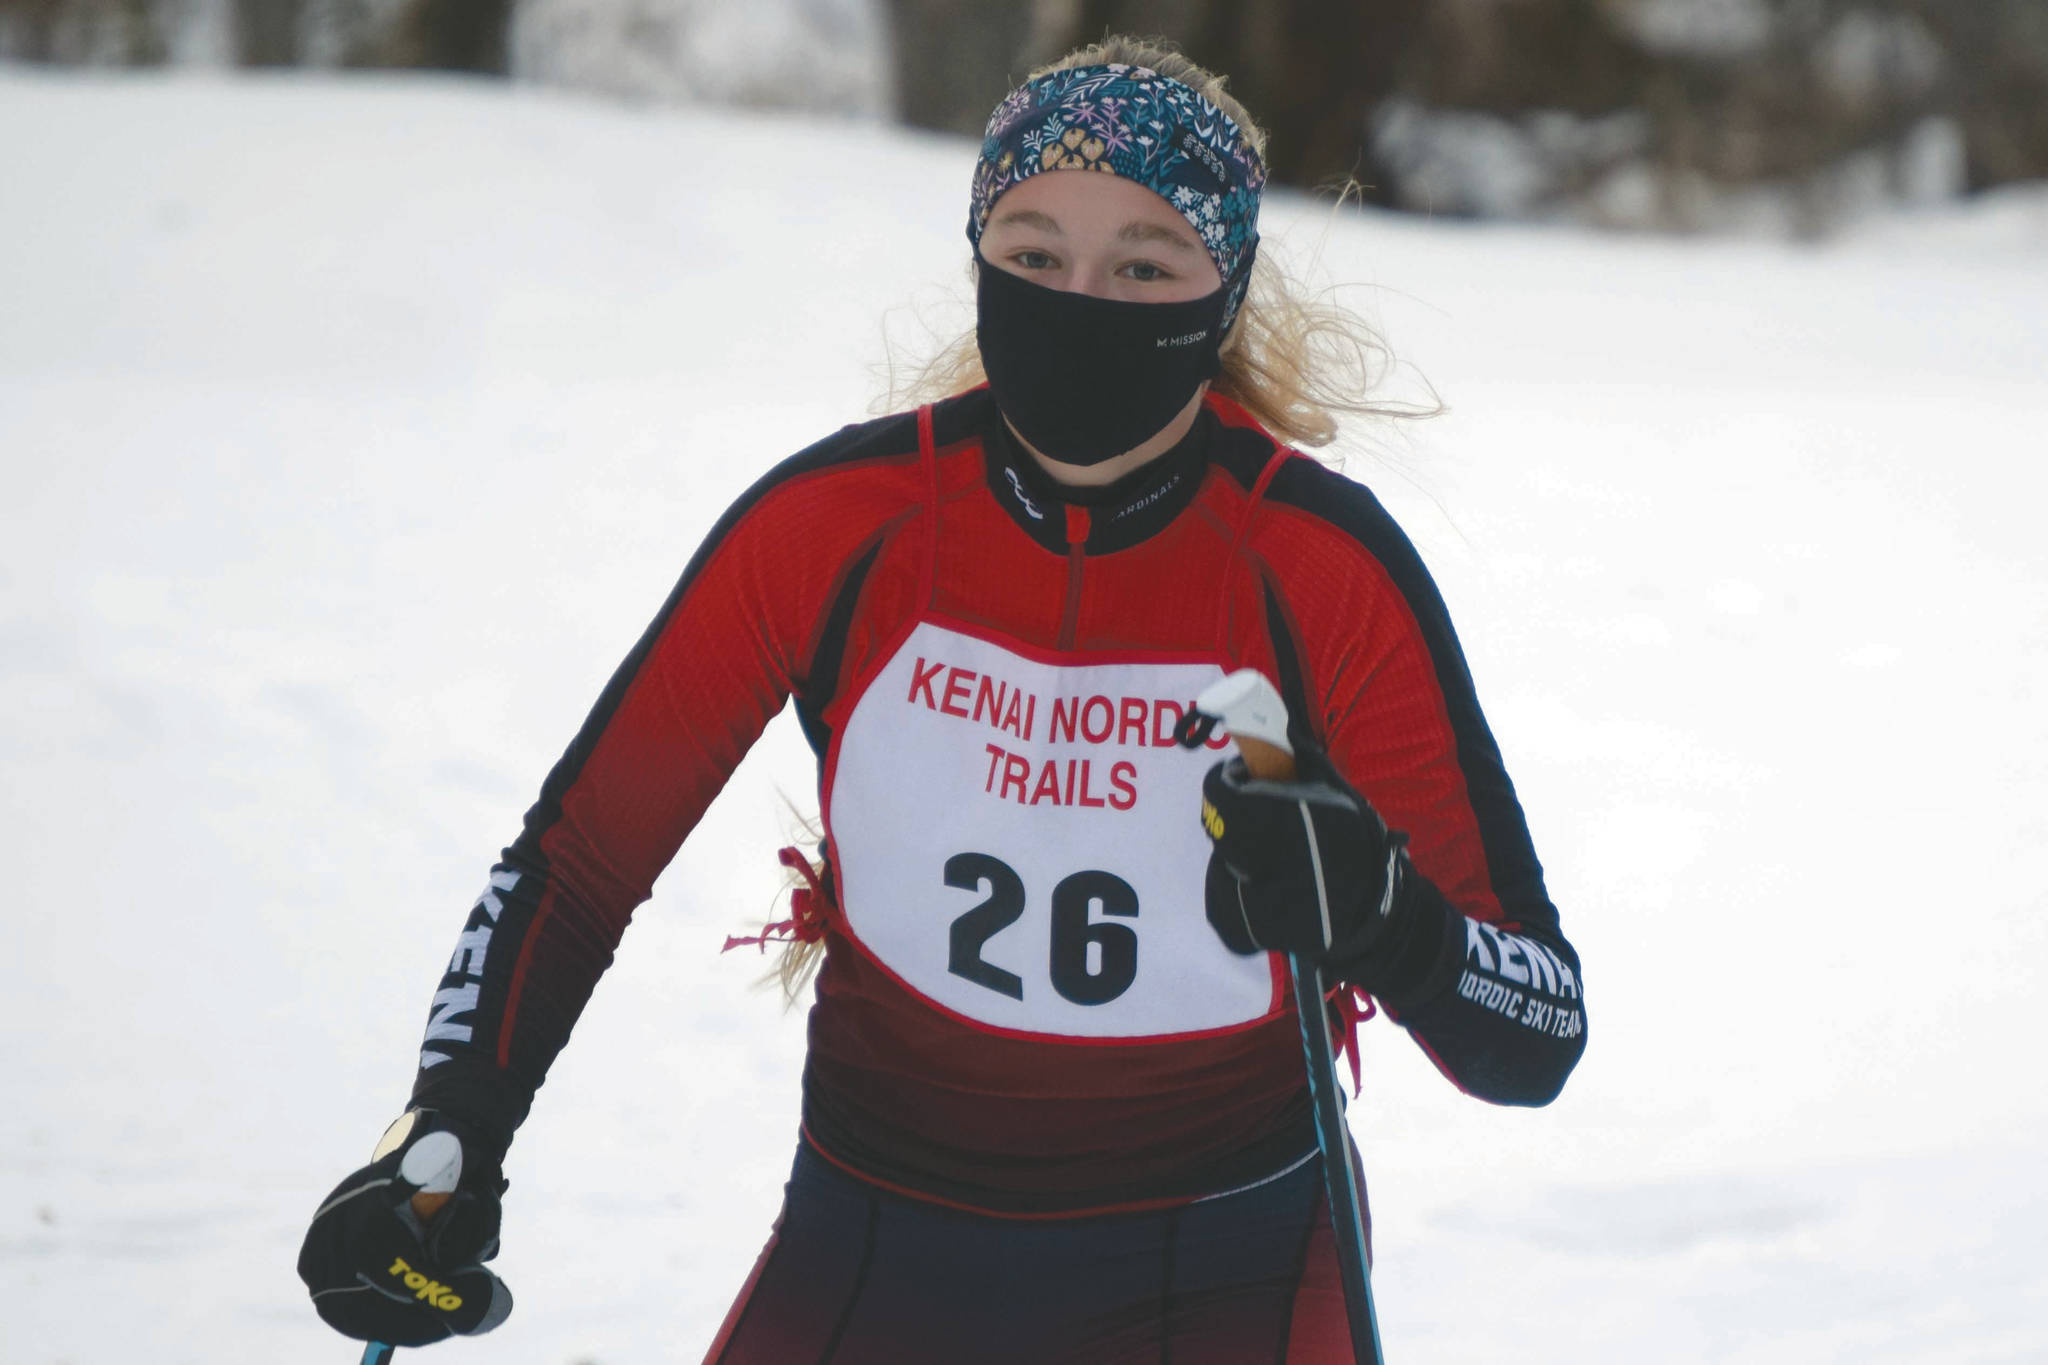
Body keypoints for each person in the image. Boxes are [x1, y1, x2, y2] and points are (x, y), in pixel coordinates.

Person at [298, 36, 1587, 1363]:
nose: (1082, 299)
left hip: (1230, 1252)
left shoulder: (1318, 566)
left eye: (1144, 265)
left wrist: (1388, 918)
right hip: (878, 1239)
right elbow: (576, 862)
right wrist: (445, 1129)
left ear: (1226, 292)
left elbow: (1537, 1027)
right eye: (1034, 255)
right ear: (978, 257)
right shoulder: (839, 527)